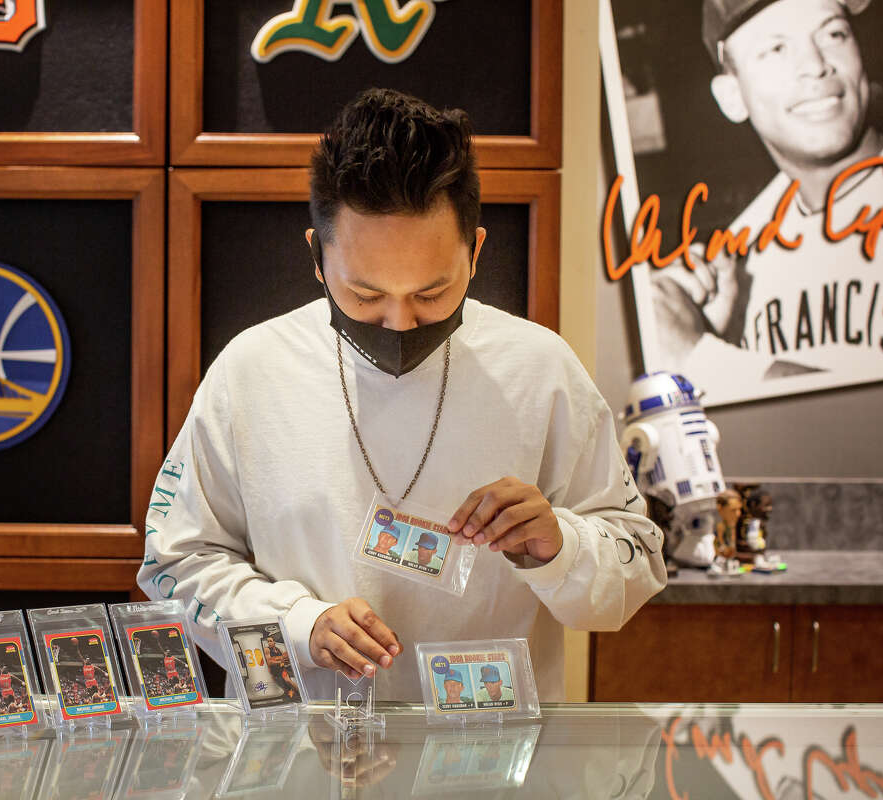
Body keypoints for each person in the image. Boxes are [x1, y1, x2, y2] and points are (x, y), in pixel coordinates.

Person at [138, 88, 666, 702]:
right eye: (364, 296)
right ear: (317, 258)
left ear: (476, 252)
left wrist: (560, 544)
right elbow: (175, 564)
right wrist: (298, 625)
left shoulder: (540, 369)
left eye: (432, 293)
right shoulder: (250, 370)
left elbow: (639, 560)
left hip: (490, 765)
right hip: (297, 759)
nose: (399, 322)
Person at [650, 0, 883, 402]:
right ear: (733, 97)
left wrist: (699, 359)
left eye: (834, 34)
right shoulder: (740, 251)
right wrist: (709, 332)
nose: (815, 65)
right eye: (776, 49)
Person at [263, 634, 301, 700]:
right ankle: (294, 696)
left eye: (270, 641)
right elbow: (269, 662)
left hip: (281, 669)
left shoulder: (278, 649)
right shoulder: (267, 650)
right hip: (274, 672)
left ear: (274, 642)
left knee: (288, 681)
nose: (269, 643)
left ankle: (300, 694)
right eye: (268, 641)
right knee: (284, 688)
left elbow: (283, 658)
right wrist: (280, 661)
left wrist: (286, 661)